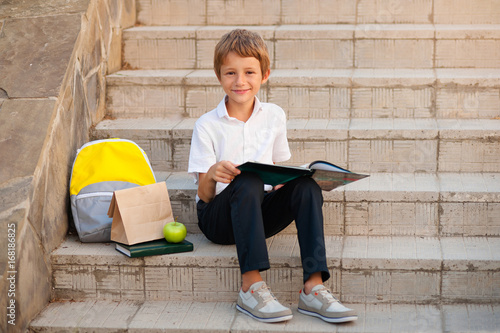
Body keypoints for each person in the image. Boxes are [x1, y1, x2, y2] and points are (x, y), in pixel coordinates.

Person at [188, 29, 357, 324]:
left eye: (249, 72)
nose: (240, 81)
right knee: (249, 179)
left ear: (264, 75)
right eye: (230, 73)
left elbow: (277, 166)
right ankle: (250, 286)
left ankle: (313, 288)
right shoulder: (207, 125)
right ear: (219, 76)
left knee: (305, 186)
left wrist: (290, 182)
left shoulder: (275, 115)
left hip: (259, 211)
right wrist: (213, 173)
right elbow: (204, 196)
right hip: (218, 219)